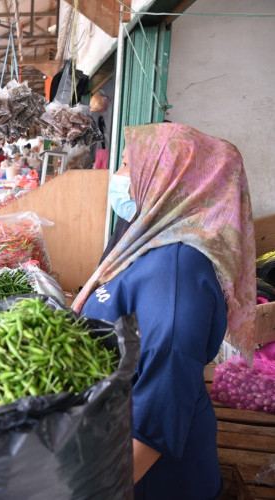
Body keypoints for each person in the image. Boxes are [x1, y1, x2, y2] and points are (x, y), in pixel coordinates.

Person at [72, 123, 255, 500]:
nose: (119, 177)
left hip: (150, 481)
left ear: (168, 178)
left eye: (126, 165)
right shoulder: (152, 243)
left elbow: (155, 417)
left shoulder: (176, 273)